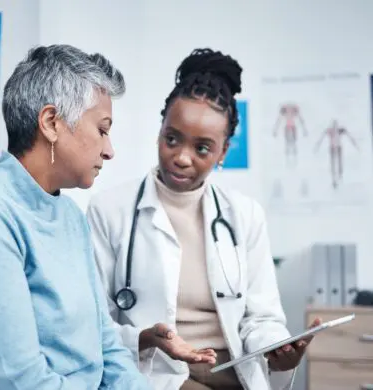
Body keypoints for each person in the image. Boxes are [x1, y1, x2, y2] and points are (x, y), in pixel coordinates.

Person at [87, 48, 320, 390]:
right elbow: (96, 323)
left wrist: (277, 348)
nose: (181, 157)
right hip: (160, 373)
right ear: (160, 130)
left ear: (223, 152)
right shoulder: (110, 210)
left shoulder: (244, 215)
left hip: (237, 371)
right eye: (172, 139)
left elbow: (263, 317)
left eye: (202, 149)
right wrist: (145, 337)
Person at [0, 44, 152, 390]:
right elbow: (16, 379)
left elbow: (106, 345)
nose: (109, 150)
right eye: (102, 130)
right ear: (50, 123)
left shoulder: (71, 216)